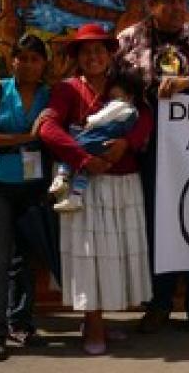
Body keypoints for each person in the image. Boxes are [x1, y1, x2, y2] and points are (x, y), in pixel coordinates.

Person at [117, 0, 189, 335]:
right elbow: (112, 81)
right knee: (156, 224)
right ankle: (159, 304)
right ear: (151, 5)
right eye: (169, 0)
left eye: (182, 0)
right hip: (150, 149)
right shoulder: (130, 39)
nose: (178, 7)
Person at [39, 23, 152, 355]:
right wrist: (83, 159)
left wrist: (125, 144)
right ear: (77, 57)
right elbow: (48, 129)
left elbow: (145, 118)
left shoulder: (122, 88)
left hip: (122, 184)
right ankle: (95, 324)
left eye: (99, 50)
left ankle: (97, 322)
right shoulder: (67, 90)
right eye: (86, 51)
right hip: (86, 188)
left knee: (114, 257)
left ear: (109, 54)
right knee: (91, 257)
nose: (94, 56)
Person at [0, 34, 51, 361]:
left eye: (36, 59)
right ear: (13, 60)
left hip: (33, 185)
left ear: (44, 64)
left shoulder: (49, 94)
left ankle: (21, 323)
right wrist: (26, 138)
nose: (29, 64)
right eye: (23, 58)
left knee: (26, 260)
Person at [49, 67, 143, 212]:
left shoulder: (119, 104)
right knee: (84, 168)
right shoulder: (133, 111)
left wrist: (90, 121)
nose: (111, 92)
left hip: (99, 139)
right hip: (103, 148)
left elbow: (102, 117)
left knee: (74, 144)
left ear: (128, 95)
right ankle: (75, 196)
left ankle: (62, 177)